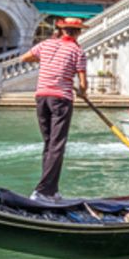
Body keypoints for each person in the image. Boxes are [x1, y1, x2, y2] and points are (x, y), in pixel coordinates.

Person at [19, 16, 88, 202]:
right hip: (61, 99)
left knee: (49, 144)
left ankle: (52, 190)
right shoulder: (77, 51)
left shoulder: (46, 44)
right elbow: (82, 83)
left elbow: (25, 57)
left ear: (62, 30)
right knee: (57, 145)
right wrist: (83, 92)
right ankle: (43, 191)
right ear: (78, 32)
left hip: (41, 96)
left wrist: (46, 63)